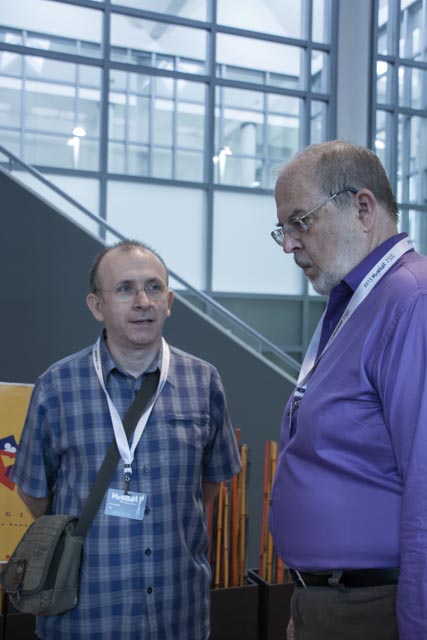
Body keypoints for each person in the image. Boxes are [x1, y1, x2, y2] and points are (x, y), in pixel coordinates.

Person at [12, 239, 241, 640]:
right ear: (96, 306)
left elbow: (209, 484)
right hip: (86, 618)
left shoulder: (203, 381)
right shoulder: (57, 387)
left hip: (179, 616)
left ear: (169, 302)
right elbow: (33, 493)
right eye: (125, 289)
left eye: (154, 288)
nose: (143, 301)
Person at [268, 140, 427, 640]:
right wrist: (309, 597)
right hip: (332, 600)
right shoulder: (358, 302)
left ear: (362, 208)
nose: (289, 244)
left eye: (300, 221)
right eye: (283, 229)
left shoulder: (412, 301)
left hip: (376, 607)